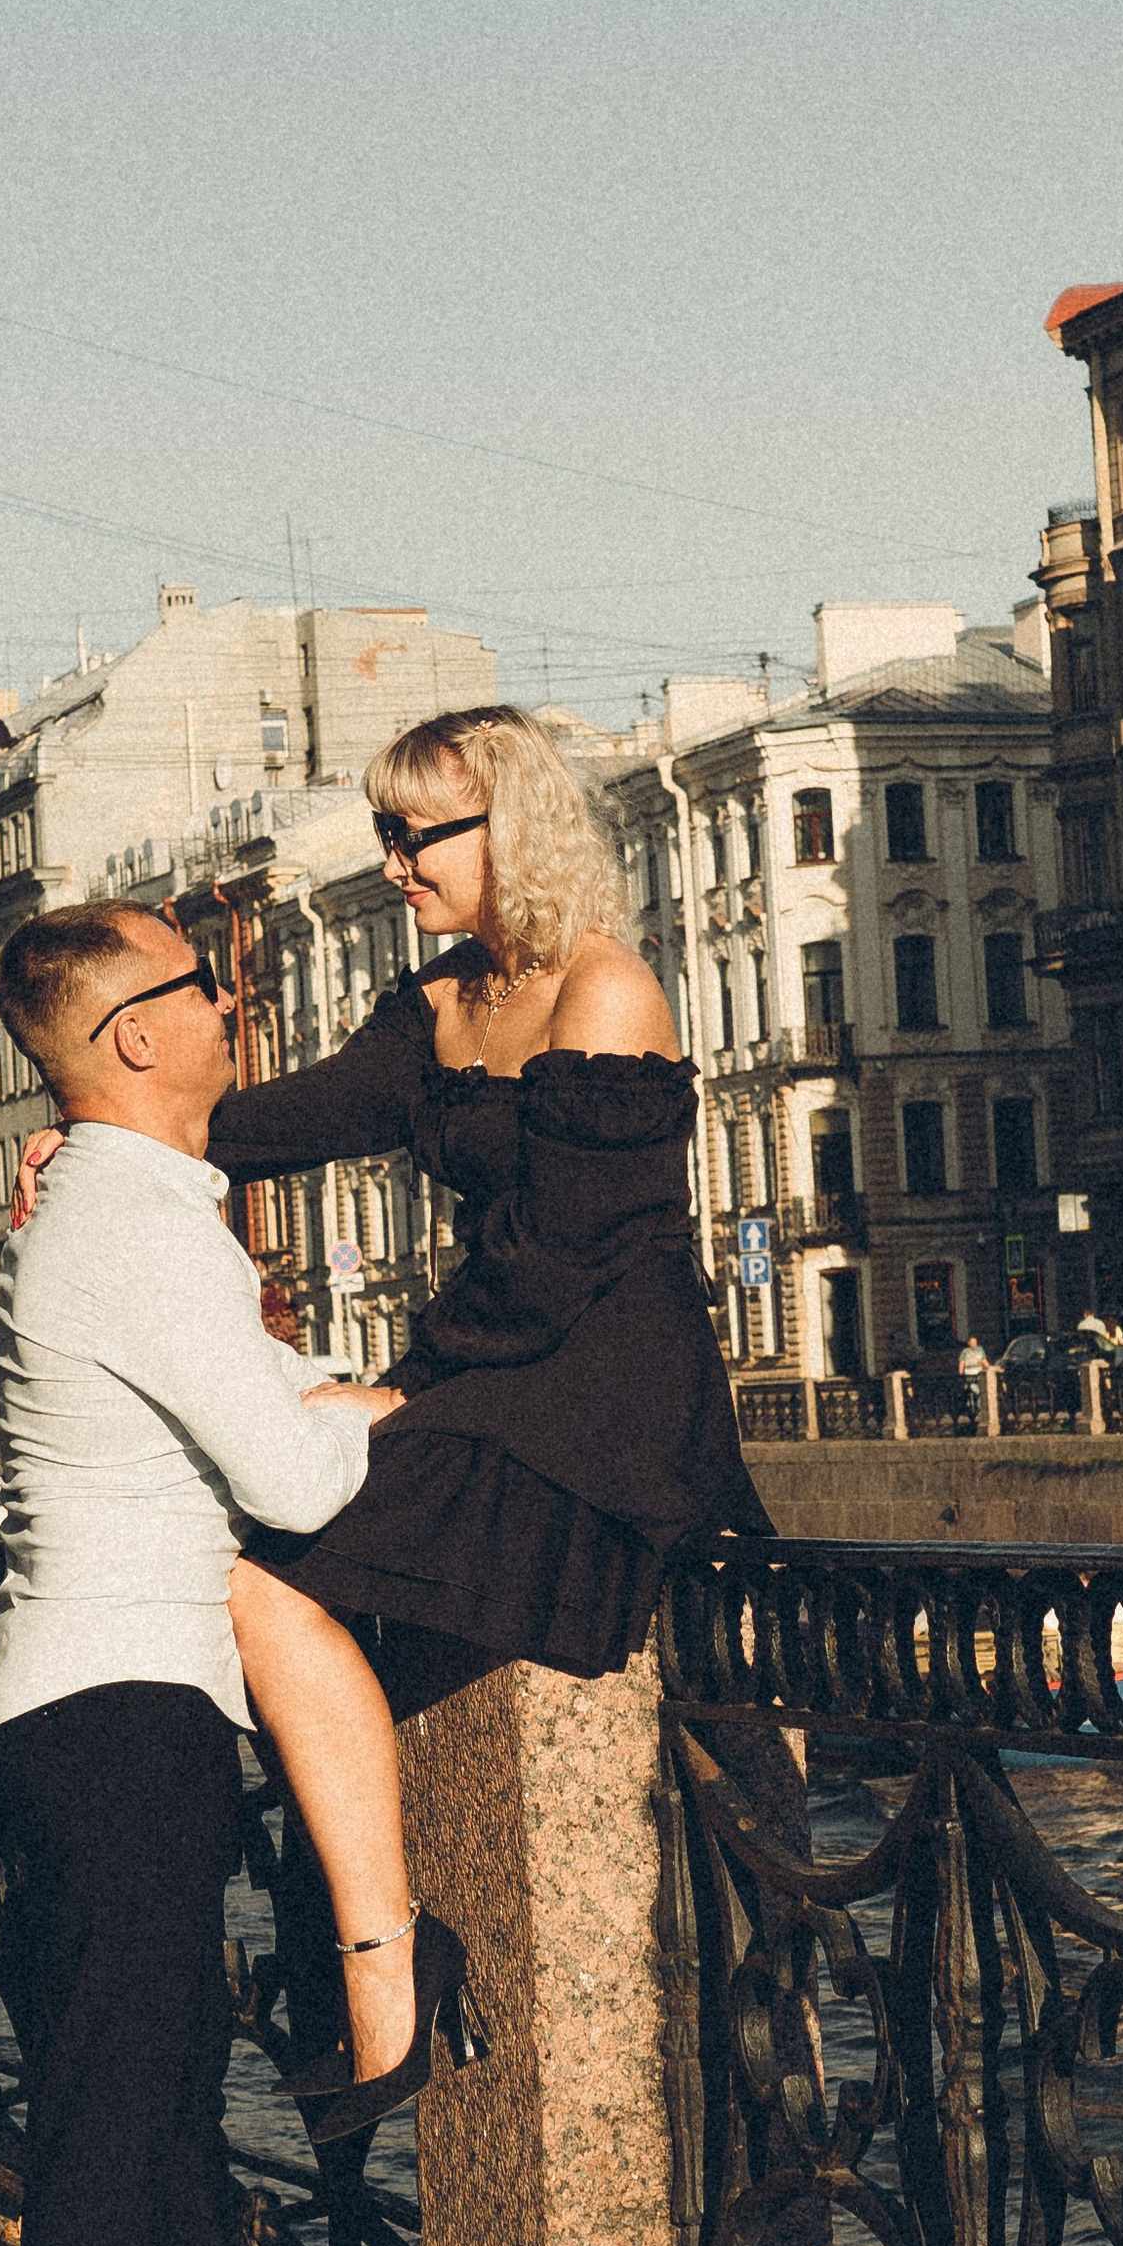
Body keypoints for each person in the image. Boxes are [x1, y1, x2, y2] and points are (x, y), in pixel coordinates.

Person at [210, 705, 769, 2126]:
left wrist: (404, 1392)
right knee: (260, 1555)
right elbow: (291, 1117)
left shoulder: (606, 993)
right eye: (386, 837)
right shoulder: (444, 1006)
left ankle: (388, 1972)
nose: (395, 866)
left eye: (418, 836)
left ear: (507, 829)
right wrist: (109, 1117)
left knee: (275, 1563)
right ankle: (384, 1958)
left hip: (610, 1411)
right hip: (505, 1391)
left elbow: (568, 1258)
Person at [0, 897, 402, 2246]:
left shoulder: (114, 1210)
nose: (236, 1005)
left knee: (143, 2104)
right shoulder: (140, 1225)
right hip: (125, 1711)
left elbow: (240, 1392)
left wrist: (335, 1387)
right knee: (111, 2106)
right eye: (205, 985)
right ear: (134, 1034)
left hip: (77, 1706)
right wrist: (380, 1415)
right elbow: (289, 1479)